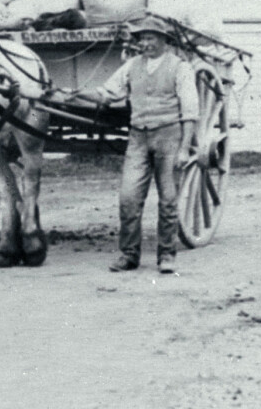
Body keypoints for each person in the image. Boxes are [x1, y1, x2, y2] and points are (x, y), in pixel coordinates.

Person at [77, 17, 198, 274]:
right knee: (129, 197)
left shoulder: (180, 68)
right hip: (138, 138)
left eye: (151, 38)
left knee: (168, 199)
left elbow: (189, 112)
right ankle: (129, 255)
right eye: (142, 38)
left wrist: (185, 148)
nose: (146, 43)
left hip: (169, 138)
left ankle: (167, 255)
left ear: (164, 41)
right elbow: (107, 93)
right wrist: (75, 94)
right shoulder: (132, 66)